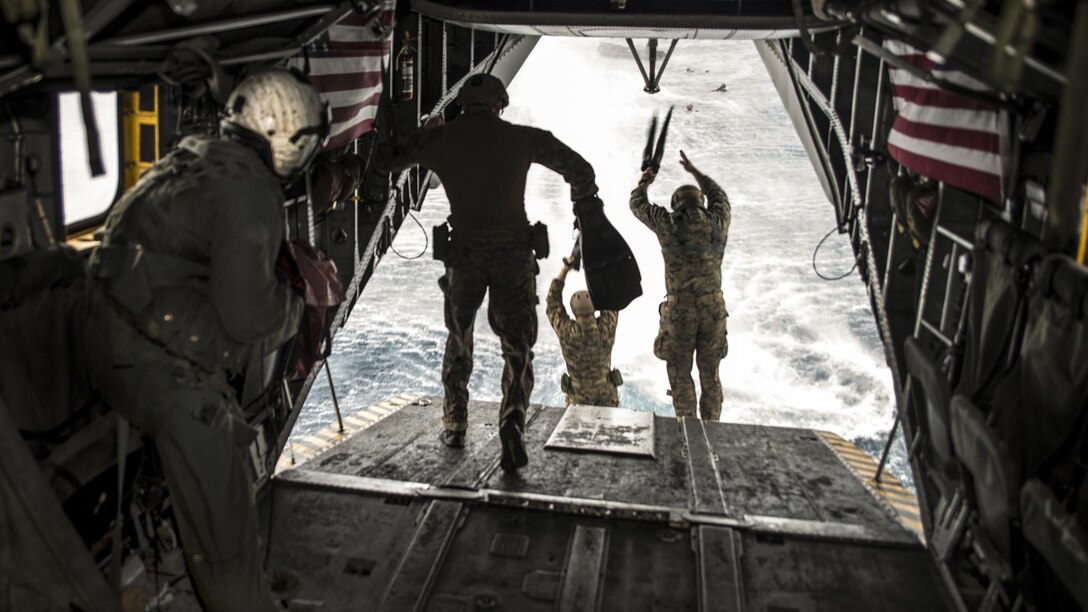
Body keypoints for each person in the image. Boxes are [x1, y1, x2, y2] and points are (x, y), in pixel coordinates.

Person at [83, 69, 325, 610]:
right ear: (292, 143)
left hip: (104, 344)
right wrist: (298, 303)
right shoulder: (251, 192)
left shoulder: (187, 159)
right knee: (227, 536)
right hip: (157, 374)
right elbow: (247, 319)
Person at [378, 73, 598, 471]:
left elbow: (388, 160)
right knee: (517, 346)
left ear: (461, 105)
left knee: (460, 338)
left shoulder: (439, 141)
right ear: (501, 105)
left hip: (464, 256)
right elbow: (581, 170)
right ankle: (512, 420)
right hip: (513, 255)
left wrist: (428, 132)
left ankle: (455, 422)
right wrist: (585, 206)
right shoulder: (524, 139)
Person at [630, 150, 731, 421]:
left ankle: (687, 427)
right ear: (700, 202)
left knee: (680, 372)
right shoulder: (718, 223)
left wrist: (645, 181)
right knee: (710, 375)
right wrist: (695, 172)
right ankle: (712, 427)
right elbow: (719, 196)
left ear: (677, 205)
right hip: (713, 309)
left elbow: (637, 205)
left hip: (681, 312)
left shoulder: (669, 224)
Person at [547, 258, 620, 407]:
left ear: (573, 310)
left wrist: (565, 269)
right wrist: (599, 268)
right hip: (606, 395)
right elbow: (611, 298)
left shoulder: (566, 331)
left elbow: (552, 302)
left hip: (578, 398)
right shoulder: (607, 327)